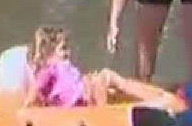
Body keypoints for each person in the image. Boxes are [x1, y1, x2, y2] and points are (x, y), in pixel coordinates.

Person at [23, 26, 179, 110]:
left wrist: (88, 79)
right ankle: (154, 100)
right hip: (79, 102)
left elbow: (72, 83)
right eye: (63, 49)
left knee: (112, 85)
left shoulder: (63, 66)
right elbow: (36, 88)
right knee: (106, 76)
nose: (68, 52)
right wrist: (27, 106)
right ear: (49, 52)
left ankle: (156, 97)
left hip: (85, 96)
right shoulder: (50, 68)